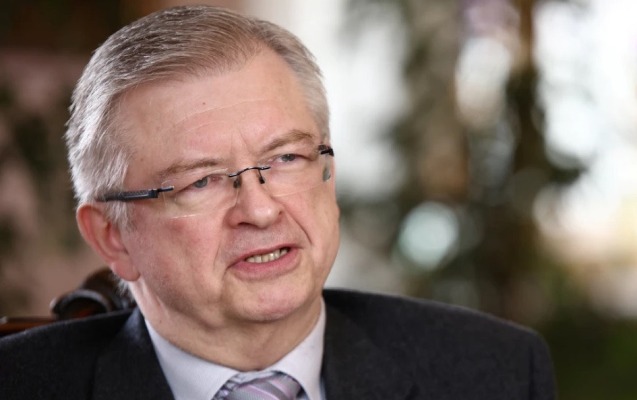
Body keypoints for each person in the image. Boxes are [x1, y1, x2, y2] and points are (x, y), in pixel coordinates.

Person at [0, 5, 556, 399]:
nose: (261, 211)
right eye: (201, 182)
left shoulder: (494, 373)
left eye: (286, 158)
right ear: (112, 237)